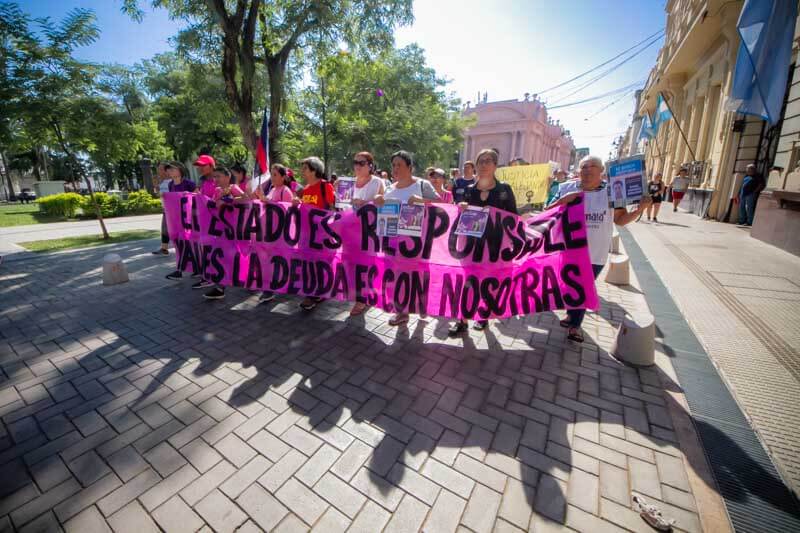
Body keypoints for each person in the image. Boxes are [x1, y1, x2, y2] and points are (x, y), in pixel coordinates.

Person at [548, 155, 651, 343]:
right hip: (567, 250)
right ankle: (572, 315)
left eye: (592, 166)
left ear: (601, 170)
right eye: (583, 167)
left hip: (595, 254)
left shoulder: (613, 192)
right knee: (570, 286)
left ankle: (575, 326)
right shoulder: (566, 188)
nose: (587, 170)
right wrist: (564, 200)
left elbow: (620, 220)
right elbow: (548, 212)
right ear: (578, 171)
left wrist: (638, 210)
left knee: (583, 287)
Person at [448, 148, 517, 335]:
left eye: (488, 161)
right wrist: (460, 207)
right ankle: (462, 319)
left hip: (494, 246)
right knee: (466, 282)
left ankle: (483, 315)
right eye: (481, 161)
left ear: (495, 165)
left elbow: (513, 218)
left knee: (488, 282)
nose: (484, 164)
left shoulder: (504, 189)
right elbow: (459, 215)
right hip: (470, 246)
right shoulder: (469, 190)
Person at [373, 150, 441, 326]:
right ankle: (401, 311)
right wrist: (378, 201)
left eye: (399, 165)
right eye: (393, 165)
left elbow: (442, 206)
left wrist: (422, 201)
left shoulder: (421, 185)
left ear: (410, 167)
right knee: (397, 277)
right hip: (393, 244)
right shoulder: (389, 188)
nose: (395, 168)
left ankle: (421, 305)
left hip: (417, 244)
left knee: (418, 275)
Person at [345, 151, 385, 316]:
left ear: (370, 165)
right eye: (355, 162)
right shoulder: (349, 183)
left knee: (366, 264)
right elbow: (343, 204)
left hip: (369, 232)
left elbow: (383, 203)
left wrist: (367, 202)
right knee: (353, 264)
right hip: (351, 232)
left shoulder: (377, 182)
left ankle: (362, 299)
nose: (357, 166)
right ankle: (364, 293)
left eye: (362, 163)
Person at [293, 156, 335, 311]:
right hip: (306, 234)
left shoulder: (326, 186)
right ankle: (313, 292)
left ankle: (316, 293)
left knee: (320, 264)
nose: (302, 171)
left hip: (321, 234)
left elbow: (331, 209)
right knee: (308, 264)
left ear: (314, 170)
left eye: (305, 168)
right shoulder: (306, 189)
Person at [255, 164, 295, 304]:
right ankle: (270, 288)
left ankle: (273, 288)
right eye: (271, 174)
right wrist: (262, 198)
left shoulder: (286, 190)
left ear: (283, 177)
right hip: (270, 231)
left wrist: (268, 201)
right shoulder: (272, 189)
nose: (272, 177)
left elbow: (287, 211)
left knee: (279, 260)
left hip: (281, 232)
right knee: (270, 260)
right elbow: (268, 206)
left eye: (275, 175)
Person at [204, 167, 245, 300]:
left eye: (219, 176)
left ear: (227, 177)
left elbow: (245, 199)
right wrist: (218, 199)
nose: (216, 179)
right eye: (214, 176)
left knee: (240, 256)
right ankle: (220, 287)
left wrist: (229, 200)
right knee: (221, 257)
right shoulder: (217, 190)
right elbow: (212, 205)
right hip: (222, 231)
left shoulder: (233, 187)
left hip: (236, 231)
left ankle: (248, 278)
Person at [164, 162, 196, 281]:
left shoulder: (189, 183)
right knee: (179, 244)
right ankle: (183, 269)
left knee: (189, 244)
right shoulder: (171, 184)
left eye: (173, 169)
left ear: (180, 170)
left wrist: (190, 195)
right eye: (169, 170)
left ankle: (182, 270)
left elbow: (198, 197)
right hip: (176, 220)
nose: (170, 172)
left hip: (190, 220)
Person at [152, 163, 171, 256]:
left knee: (168, 229)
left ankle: (166, 248)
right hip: (165, 209)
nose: (158, 171)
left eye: (160, 169)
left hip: (172, 210)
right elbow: (158, 193)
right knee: (164, 229)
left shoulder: (172, 182)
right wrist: (156, 185)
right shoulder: (163, 182)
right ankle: (164, 249)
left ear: (166, 170)